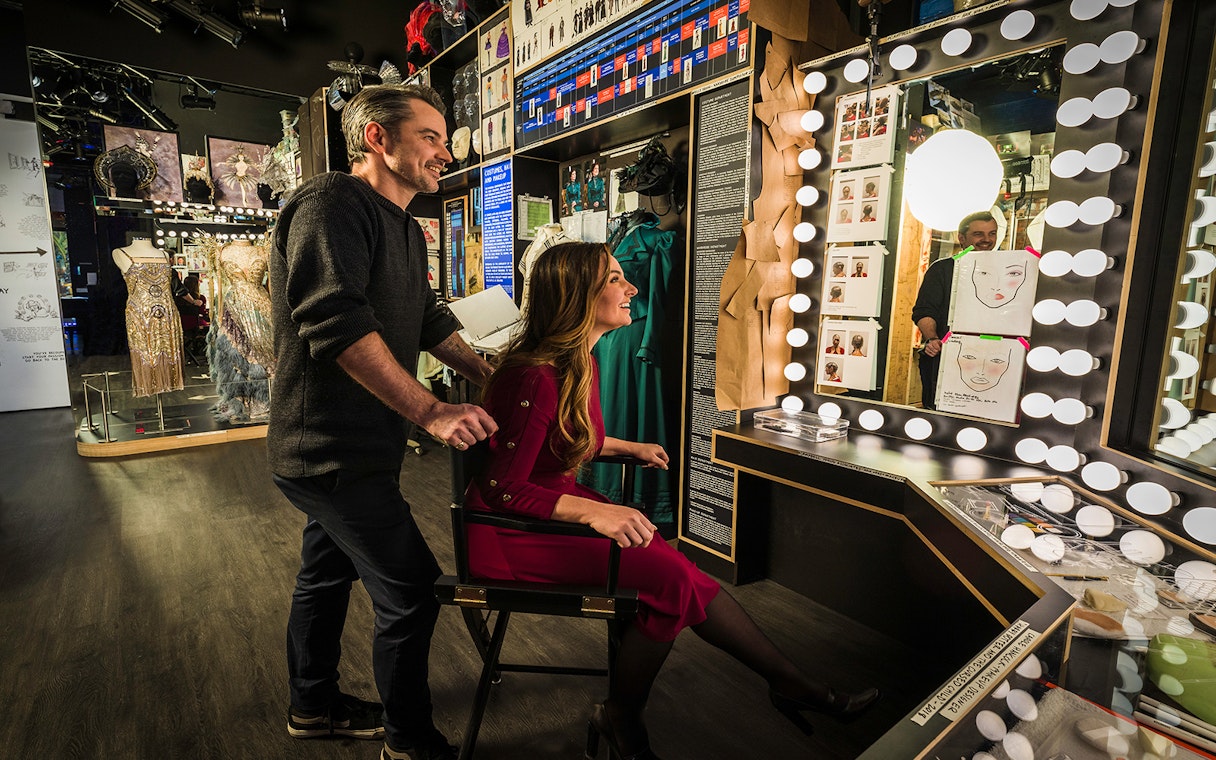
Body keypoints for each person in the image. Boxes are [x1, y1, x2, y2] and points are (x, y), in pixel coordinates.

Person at [464, 242, 879, 759]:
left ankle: (786, 685)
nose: (631, 288)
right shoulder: (533, 375)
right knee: (674, 578)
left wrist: (623, 447)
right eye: (616, 279)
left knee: (679, 574)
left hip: (547, 509)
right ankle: (625, 713)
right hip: (509, 533)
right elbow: (504, 488)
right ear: (577, 295)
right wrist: (597, 510)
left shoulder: (577, 361)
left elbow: (561, 439)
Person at [268, 83, 498, 760]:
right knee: (413, 593)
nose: (444, 153)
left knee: (326, 574)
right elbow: (334, 323)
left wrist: (491, 374)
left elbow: (426, 320)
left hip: (362, 447)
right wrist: (430, 409)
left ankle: (312, 707)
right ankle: (408, 742)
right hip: (328, 450)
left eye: (445, 140)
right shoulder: (331, 203)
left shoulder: (405, 225)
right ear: (378, 138)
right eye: (430, 136)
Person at [911, 211, 999, 410]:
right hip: (946, 358)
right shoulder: (942, 270)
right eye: (978, 234)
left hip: (991, 358)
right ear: (961, 238)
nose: (987, 240)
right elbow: (924, 311)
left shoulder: (1006, 269)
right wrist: (932, 339)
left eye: (992, 233)